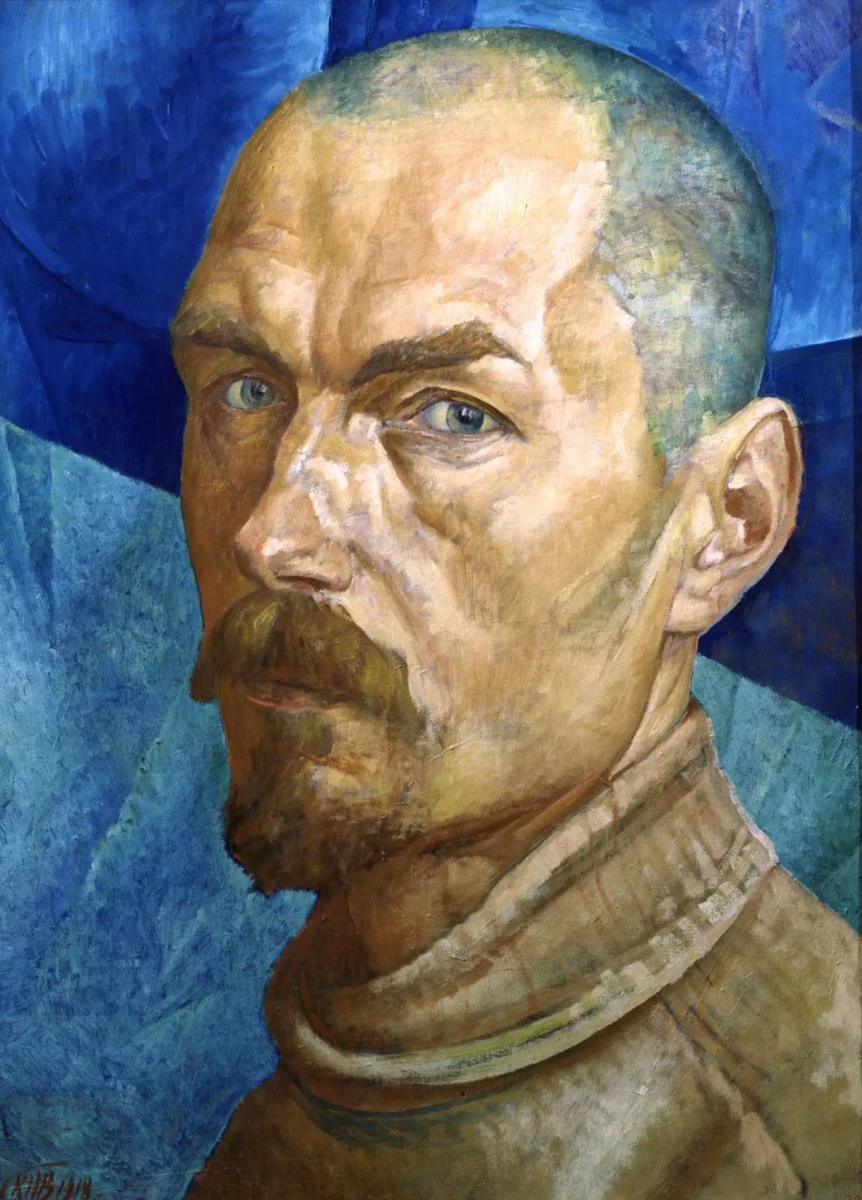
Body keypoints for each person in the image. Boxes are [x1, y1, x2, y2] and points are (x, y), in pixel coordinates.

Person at [171, 28, 861, 1199]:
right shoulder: (371, 1033)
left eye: (453, 414)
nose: (273, 536)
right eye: (247, 390)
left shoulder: (780, 1151)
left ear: (728, 519)